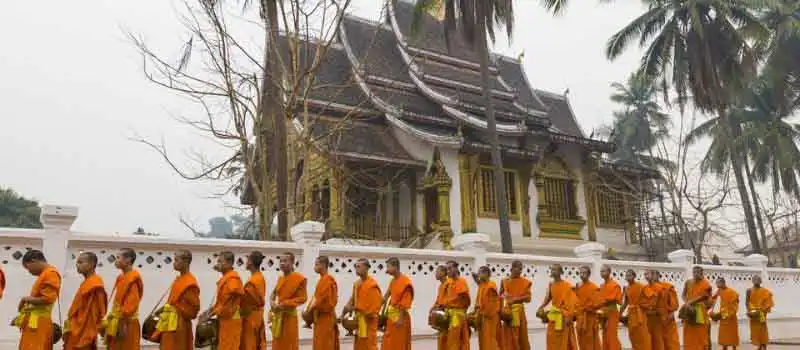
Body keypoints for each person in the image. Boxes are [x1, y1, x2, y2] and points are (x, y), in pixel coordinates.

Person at [152, 250, 200, 350]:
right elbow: (172, 301)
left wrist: (177, 310)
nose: (174, 263)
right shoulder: (179, 279)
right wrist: (162, 310)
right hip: (169, 322)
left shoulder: (190, 283)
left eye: (176, 260)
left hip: (179, 325)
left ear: (186, 262)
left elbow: (194, 310)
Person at [16, 249, 62, 350]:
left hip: (39, 323)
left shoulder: (51, 273)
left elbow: (48, 299)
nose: (29, 272)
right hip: (34, 322)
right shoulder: (45, 274)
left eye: (28, 268)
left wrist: (26, 299)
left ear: (34, 260)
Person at [64, 252, 108, 349]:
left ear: (92, 265)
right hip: (75, 327)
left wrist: (89, 333)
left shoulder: (95, 285)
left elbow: (97, 312)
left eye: (80, 262)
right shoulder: (87, 282)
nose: (77, 265)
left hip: (84, 330)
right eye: (77, 262)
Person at [202, 251, 244, 350]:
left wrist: (212, 313)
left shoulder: (233, 278)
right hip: (225, 318)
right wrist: (210, 311)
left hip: (231, 318)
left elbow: (228, 298)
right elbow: (221, 301)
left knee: (229, 346)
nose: (218, 264)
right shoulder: (227, 277)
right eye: (218, 262)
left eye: (220, 261)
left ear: (229, 263)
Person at [104, 248, 144, 350]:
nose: (116, 260)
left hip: (127, 323)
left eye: (118, 257)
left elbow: (131, 304)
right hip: (118, 320)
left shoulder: (132, 279)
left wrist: (122, 324)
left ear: (128, 260)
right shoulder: (122, 277)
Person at [271, 252, 308, 350]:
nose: (282, 263)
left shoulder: (299, 279)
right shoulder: (280, 278)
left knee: (289, 344)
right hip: (278, 315)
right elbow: (273, 293)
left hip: (290, 316)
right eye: (281, 261)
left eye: (285, 261)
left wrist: (285, 304)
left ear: (292, 263)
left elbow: (303, 298)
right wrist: (272, 302)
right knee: (277, 343)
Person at [343, 258, 382, 350]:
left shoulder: (372, 285)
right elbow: (352, 299)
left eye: (359, 266)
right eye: (355, 266)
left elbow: (375, 307)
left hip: (369, 321)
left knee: (369, 345)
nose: (356, 268)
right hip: (358, 320)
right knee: (359, 345)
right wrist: (343, 313)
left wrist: (355, 308)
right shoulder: (357, 284)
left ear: (367, 268)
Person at [536, 264, 578, 350]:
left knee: (564, 339)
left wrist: (569, 316)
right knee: (551, 337)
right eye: (552, 270)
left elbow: (572, 302)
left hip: (563, 316)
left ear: (560, 272)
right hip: (553, 316)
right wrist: (540, 307)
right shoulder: (551, 284)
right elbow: (547, 298)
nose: (553, 271)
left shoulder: (567, 285)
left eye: (555, 270)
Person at [498, 261, 531, 350]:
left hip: (519, 312)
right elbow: (499, 296)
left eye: (521, 269)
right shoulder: (504, 281)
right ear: (512, 268)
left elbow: (528, 298)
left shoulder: (525, 282)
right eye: (518, 268)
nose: (520, 271)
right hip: (508, 312)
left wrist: (515, 299)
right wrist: (501, 309)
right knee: (508, 335)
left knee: (522, 336)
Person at [381, 257, 413, 350]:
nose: (386, 270)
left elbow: (405, 303)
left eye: (388, 267)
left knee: (398, 344)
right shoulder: (393, 281)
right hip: (391, 316)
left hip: (400, 317)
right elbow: (386, 297)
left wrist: (400, 319)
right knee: (388, 342)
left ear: (395, 267)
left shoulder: (405, 282)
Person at [308, 255, 339, 350]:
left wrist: (310, 310)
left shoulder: (327, 280)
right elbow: (316, 298)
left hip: (326, 317)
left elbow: (323, 300)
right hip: (320, 317)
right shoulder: (321, 280)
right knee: (319, 344)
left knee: (325, 345)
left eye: (316, 264)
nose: (315, 266)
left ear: (323, 265)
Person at [241, 251, 267, 350]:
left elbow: (249, 301)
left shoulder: (253, 281)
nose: (246, 262)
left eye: (247, 260)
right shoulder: (258, 277)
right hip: (256, 316)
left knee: (250, 345)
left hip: (251, 318)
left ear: (251, 262)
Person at [621, 269, 652, 350]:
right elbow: (625, 303)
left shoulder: (641, 286)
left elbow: (652, 297)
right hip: (631, 314)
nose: (628, 277)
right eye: (626, 276)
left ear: (634, 276)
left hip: (640, 314)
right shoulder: (626, 288)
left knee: (642, 335)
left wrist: (645, 306)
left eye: (629, 275)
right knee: (633, 335)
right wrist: (619, 313)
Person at [442, 260, 470, 350]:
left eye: (450, 268)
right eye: (447, 269)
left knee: (454, 341)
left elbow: (465, 299)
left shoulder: (461, 281)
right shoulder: (450, 283)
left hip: (457, 315)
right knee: (451, 340)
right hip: (451, 313)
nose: (448, 271)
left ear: (456, 269)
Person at [682, 266, 712, 350]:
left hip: (700, 311)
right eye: (694, 272)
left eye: (698, 272)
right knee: (689, 332)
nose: (695, 274)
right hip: (689, 310)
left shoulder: (706, 284)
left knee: (701, 333)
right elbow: (683, 294)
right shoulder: (688, 282)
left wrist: (690, 303)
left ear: (702, 273)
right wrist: (686, 302)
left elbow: (704, 297)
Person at [472, 266, 500, 350]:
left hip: (489, 318)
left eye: (480, 273)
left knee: (489, 340)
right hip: (483, 316)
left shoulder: (491, 286)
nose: (479, 275)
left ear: (486, 274)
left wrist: (481, 313)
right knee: (483, 341)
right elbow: (477, 280)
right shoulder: (482, 285)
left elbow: (491, 305)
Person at [652, 271, 680, 350]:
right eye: (650, 274)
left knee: (670, 341)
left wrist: (671, 313)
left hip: (667, 318)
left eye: (653, 274)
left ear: (658, 275)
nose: (651, 276)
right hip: (655, 319)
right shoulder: (648, 288)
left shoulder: (667, 287)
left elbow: (674, 303)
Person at [575, 265, 601, 350]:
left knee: (590, 340)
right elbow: (575, 300)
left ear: (589, 274)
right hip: (580, 317)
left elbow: (597, 304)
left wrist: (588, 308)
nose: (582, 275)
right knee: (580, 340)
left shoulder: (594, 287)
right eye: (581, 273)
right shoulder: (578, 286)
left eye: (584, 273)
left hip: (590, 319)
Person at [598, 265, 622, 350]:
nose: (602, 273)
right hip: (603, 313)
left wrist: (602, 303)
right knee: (605, 335)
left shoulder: (615, 285)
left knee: (611, 335)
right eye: (601, 271)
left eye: (604, 271)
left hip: (612, 312)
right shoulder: (601, 285)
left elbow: (614, 299)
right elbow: (599, 299)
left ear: (609, 272)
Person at [747, 274, 773, 350]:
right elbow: (747, 301)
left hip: (762, 313)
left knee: (762, 328)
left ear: (761, 281)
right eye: (754, 279)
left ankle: (764, 345)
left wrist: (762, 310)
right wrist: (749, 311)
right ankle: (758, 344)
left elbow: (768, 303)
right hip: (753, 313)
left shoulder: (765, 291)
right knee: (755, 330)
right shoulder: (749, 290)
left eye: (758, 280)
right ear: (752, 281)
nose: (756, 281)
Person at [713, 277, 739, 349]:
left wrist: (731, 312)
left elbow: (736, 303)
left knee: (732, 335)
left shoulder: (732, 292)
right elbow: (712, 299)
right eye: (716, 283)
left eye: (718, 283)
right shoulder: (719, 291)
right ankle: (724, 348)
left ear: (723, 283)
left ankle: (734, 348)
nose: (717, 284)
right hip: (723, 315)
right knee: (724, 335)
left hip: (731, 317)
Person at [430, 265, 450, 350]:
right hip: (441, 311)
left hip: (447, 312)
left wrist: (441, 306)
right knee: (441, 336)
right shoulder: (441, 286)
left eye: (437, 272)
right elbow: (438, 299)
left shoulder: (449, 284)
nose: (436, 274)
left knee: (446, 337)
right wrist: (433, 307)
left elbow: (450, 299)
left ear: (443, 273)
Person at [644, 271, 664, 350]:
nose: (646, 276)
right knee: (648, 339)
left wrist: (657, 311)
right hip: (647, 317)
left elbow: (661, 302)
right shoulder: (645, 288)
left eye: (647, 274)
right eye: (645, 274)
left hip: (656, 317)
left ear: (653, 276)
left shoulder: (659, 288)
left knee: (657, 339)